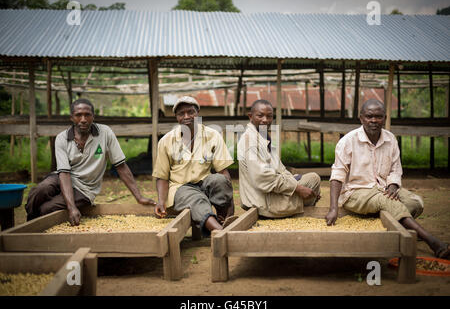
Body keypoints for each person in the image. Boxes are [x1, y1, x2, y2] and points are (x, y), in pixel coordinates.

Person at [326, 99, 449, 258]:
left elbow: (395, 169)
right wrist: (333, 208)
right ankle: (433, 242)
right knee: (389, 202)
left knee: (415, 202)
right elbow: (337, 175)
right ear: (361, 118)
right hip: (356, 193)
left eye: (378, 116)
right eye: (369, 116)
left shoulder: (390, 139)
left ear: (384, 117)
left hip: (383, 189)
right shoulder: (348, 141)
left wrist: (393, 185)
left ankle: (380, 218)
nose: (374, 121)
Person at [25, 98, 155, 225]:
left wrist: (139, 197)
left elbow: (121, 166)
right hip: (63, 178)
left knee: (46, 209)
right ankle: (29, 224)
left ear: (93, 117)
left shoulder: (105, 133)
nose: (83, 120)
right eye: (78, 115)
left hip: (85, 189)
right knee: (40, 190)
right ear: (71, 117)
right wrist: (71, 208)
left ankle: (36, 226)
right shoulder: (62, 138)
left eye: (87, 115)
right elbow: (64, 173)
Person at [152, 96, 236, 236]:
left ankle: (224, 220)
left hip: (204, 184)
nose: (186, 116)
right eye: (181, 113)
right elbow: (162, 177)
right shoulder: (166, 141)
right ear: (176, 117)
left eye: (190, 112)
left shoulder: (212, 136)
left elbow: (223, 172)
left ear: (197, 113)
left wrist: (229, 203)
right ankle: (221, 233)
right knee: (196, 199)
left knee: (219, 181)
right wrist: (161, 201)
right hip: (180, 188)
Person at [238, 99, 321, 218]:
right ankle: (299, 210)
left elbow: (281, 169)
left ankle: (303, 204)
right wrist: (297, 188)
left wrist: (293, 181)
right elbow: (263, 179)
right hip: (262, 203)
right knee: (311, 184)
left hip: (271, 193)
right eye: (260, 116)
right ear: (251, 116)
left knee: (313, 179)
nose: (265, 120)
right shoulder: (250, 141)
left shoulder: (264, 138)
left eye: (269, 116)